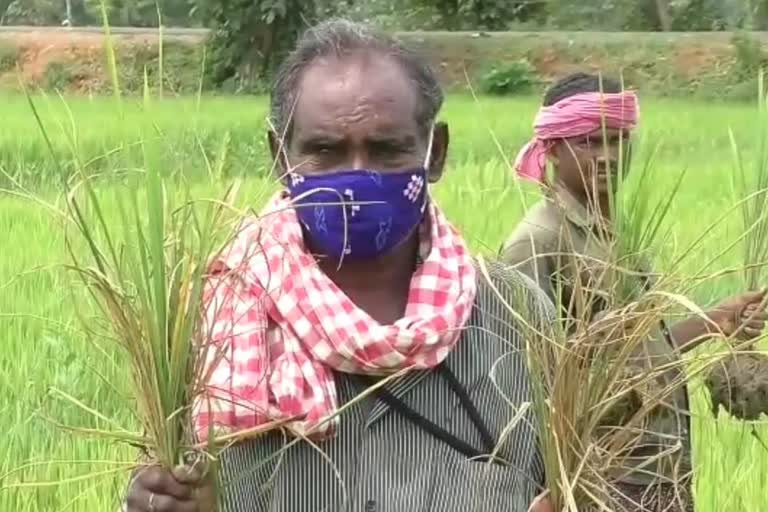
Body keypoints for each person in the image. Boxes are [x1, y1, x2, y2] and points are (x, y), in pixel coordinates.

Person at [124, 20, 556, 512]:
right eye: (325, 151)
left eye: (386, 150)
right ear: (279, 156)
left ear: (435, 153)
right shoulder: (206, 325)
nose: (355, 180)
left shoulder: (519, 317)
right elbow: (166, 484)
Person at [501, 72, 768, 511]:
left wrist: (717, 320)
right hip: (602, 480)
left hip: (661, 469)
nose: (607, 156)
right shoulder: (538, 242)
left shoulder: (616, 234)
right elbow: (523, 381)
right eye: (589, 142)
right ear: (552, 147)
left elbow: (635, 354)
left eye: (618, 140)